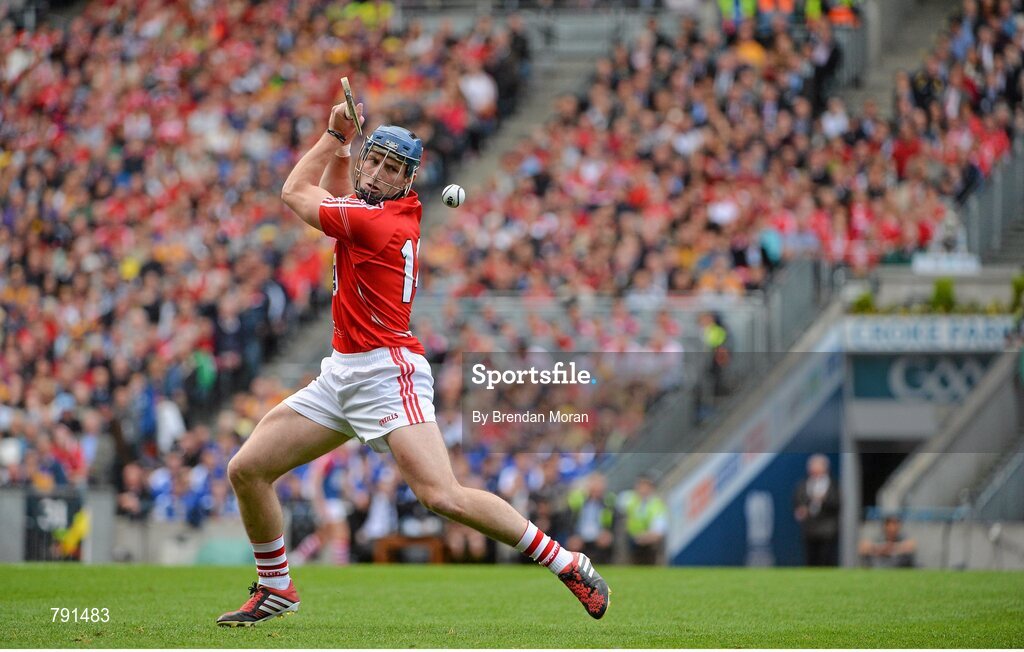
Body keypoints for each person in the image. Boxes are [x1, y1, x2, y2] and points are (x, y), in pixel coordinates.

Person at [216, 95, 610, 626]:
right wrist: (346, 148)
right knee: (247, 469)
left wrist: (334, 136)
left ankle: (566, 562)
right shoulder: (378, 211)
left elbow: (295, 192)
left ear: (408, 179)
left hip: (386, 371)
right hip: (343, 372)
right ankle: (276, 586)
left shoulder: (377, 223)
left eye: (391, 168)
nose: (377, 174)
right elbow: (338, 200)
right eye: (373, 161)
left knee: (441, 496)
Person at [793, 454, 840, 566]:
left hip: (827, 529)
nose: (813, 469)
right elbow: (797, 502)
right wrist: (801, 510)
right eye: (811, 466)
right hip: (809, 528)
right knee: (811, 559)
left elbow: (837, 503)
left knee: (826, 558)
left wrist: (824, 499)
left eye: (816, 466)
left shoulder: (833, 485)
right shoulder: (803, 484)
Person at [619, 474, 667, 565]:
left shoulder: (657, 505)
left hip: (649, 540)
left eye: (646, 486)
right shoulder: (628, 499)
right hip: (631, 538)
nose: (643, 489)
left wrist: (645, 537)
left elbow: (659, 530)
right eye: (641, 486)